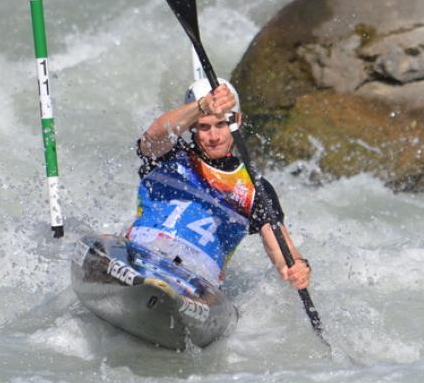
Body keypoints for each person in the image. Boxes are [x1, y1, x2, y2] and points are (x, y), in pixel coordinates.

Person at [126, 78, 311, 290]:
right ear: (192, 127)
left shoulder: (254, 188)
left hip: (197, 281)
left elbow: (279, 245)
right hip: (138, 254)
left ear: (237, 121)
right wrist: (201, 106)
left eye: (221, 124)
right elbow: (152, 137)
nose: (214, 137)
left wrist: (296, 265)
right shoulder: (167, 153)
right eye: (204, 127)